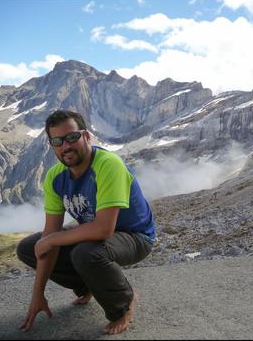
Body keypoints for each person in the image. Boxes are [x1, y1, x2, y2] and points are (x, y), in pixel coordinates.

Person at [16, 109, 156, 335]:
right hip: (94, 233)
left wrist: (54, 239)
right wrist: (37, 295)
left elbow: (103, 229)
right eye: (57, 141)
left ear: (86, 136)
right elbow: (48, 235)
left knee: (85, 253)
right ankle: (90, 285)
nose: (66, 146)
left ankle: (123, 304)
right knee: (28, 248)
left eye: (72, 137)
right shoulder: (55, 177)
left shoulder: (108, 164)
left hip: (134, 236)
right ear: (51, 146)